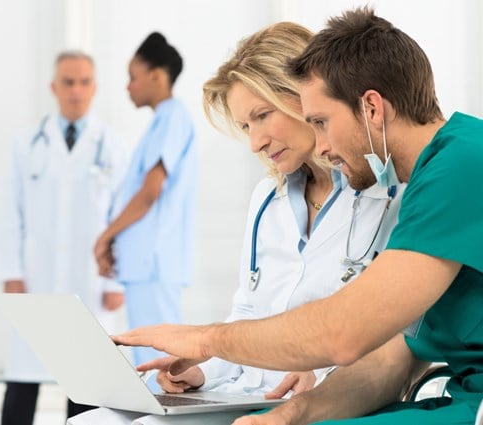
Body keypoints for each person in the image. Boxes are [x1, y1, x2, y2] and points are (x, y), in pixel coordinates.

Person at [113, 7, 483, 425]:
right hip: (454, 396)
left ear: (372, 108)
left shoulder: (458, 165)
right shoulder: (435, 173)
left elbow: (345, 335)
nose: (321, 146)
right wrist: (291, 416)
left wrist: (204, 339)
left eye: (321, 122)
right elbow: (396, 353)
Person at [69, 22, 403, 425]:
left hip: (321, 400)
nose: (255, 142)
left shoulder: (381, 194)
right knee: (91, 421)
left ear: (305, 95)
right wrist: (201, 371)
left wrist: (328, 376)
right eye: (246, 126)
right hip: (245, 393)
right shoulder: (267, 199)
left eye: (262, 116)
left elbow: (393, 340)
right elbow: (246, 311)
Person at [0, 51, 128, 423]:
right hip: (37, 277)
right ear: (54, 87)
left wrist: (116, 279)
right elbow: (10, 212)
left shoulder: (113, 147)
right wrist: (11, 271)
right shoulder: (27, 144)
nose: (76, 90)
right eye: (68, 82)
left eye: (84, 82)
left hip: (92, 281)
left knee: (85, 384)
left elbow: (122, 220)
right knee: (22, 382)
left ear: (95, 88)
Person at [93, 32, 198, 366]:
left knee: (160, 364)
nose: (128, 86)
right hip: (145, 265)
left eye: (132, 77)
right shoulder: (161, 122)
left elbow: (150, 192)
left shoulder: (173, 118)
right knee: (148, 359)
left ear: (156, 75)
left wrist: (106, 235)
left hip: (154, 262)